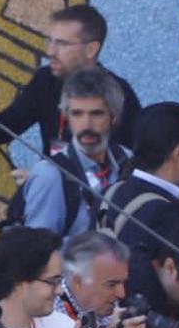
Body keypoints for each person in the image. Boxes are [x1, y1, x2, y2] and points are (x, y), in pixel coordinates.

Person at [0, 3, 141, 158]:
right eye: (49, 41)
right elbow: (8, 126)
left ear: (91, 49)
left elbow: (123, 164)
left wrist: (51, 178)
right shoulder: (45, 80)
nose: (50, 51)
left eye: (62, 44)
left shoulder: (118, 92)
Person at [16, 68, 135, 238]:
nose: (86, 125)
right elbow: (39, 253)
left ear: (113, 117)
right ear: (66, 117)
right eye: (77, 114)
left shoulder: (127, 161)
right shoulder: (49, 174)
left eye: (96, 114)